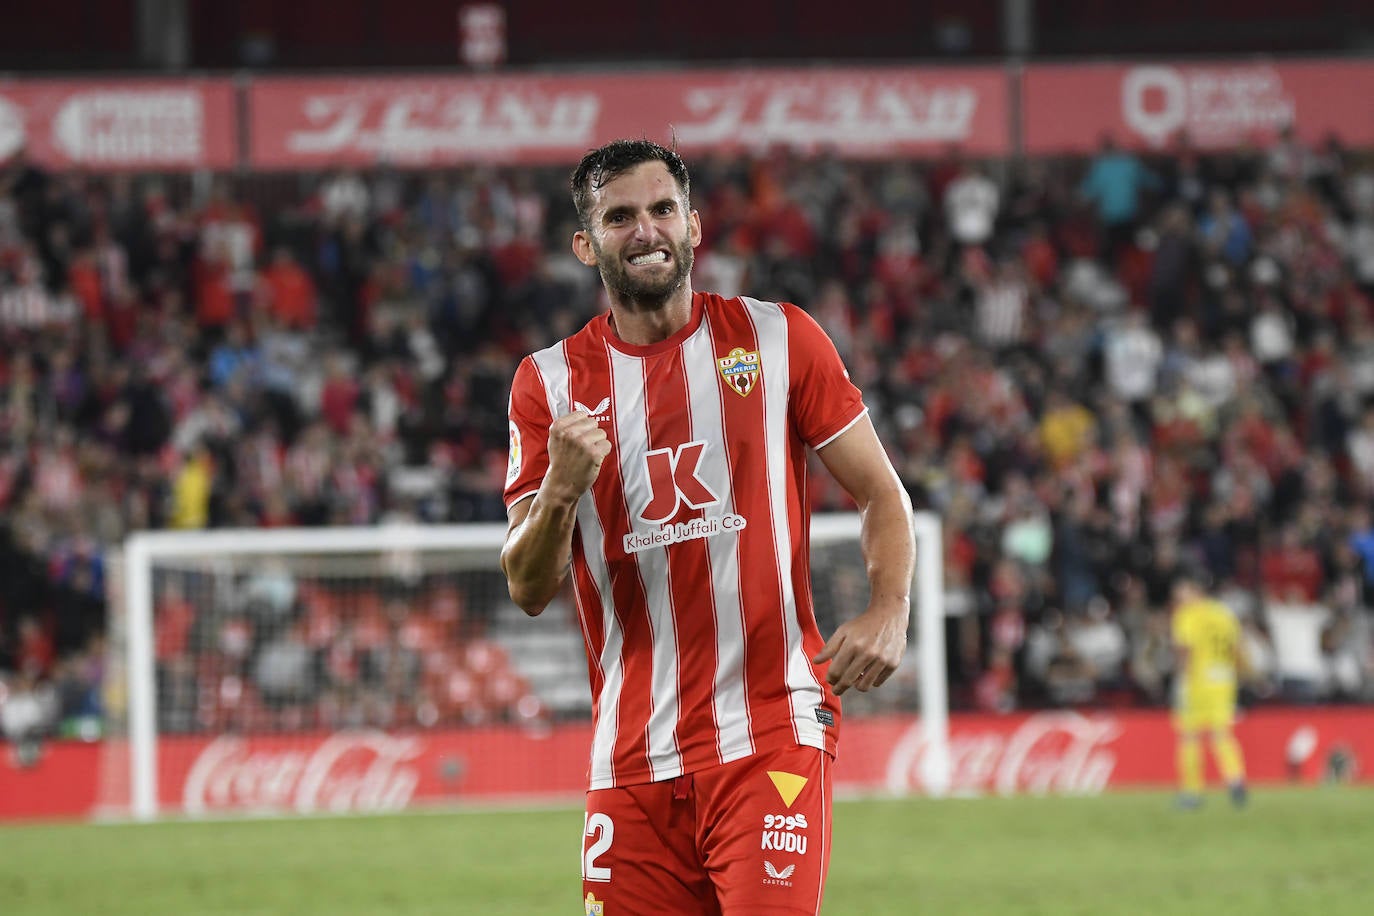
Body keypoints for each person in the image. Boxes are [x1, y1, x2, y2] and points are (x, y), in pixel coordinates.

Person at [501, 139, 915, 915]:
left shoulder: (779, 337)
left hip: (771, 727)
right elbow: (527, 587)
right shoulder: (548, 384)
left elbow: (883, 495)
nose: (645, 230)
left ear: (694, 226)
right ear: (585, 246)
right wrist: (558, 491)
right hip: (630, 758)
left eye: (662, 210)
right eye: (619, 217)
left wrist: (890, 605)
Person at [1170, 570, 1250, 809]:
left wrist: (1181, 680)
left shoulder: (1188, 615)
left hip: (1198, 680)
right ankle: (1236, 781)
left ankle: (1192, 792)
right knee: (1222, 734)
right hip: (1224, 679)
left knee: (1190, 735)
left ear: (1195, 591)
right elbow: (1237, 648)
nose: (1178, 598)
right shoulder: (1224, 613)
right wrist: (1243, 673)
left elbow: (1186, 649)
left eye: (1181, 592)